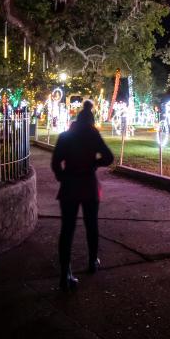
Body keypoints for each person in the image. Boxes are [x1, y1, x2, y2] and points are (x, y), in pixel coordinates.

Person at [51, 99, 114, 291]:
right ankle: (92, 261)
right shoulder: (93, 135)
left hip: (70, 185)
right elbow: (109, 158)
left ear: (76, 120)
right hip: (88, 184)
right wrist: (95, 164)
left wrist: (63, 177)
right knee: (91, 225)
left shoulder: (65, 136)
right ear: (90, 120)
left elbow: (55, 163)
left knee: (67, 230)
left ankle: (65, 274)